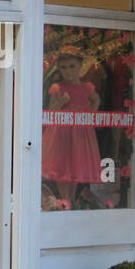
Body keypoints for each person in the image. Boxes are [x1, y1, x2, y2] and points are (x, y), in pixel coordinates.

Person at [41, 45, 101, 207]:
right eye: (63, 68)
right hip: (63, 133)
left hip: (81, 132)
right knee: (63, 167)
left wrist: (90, 116)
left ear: (81, 66)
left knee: (75, 165)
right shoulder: (58, 88)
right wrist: (61, 102)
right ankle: (64, 199)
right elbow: (51, 111)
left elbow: (96, 100)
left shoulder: (86, 87)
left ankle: (71, 199)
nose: (68, 71)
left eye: (72, 66)